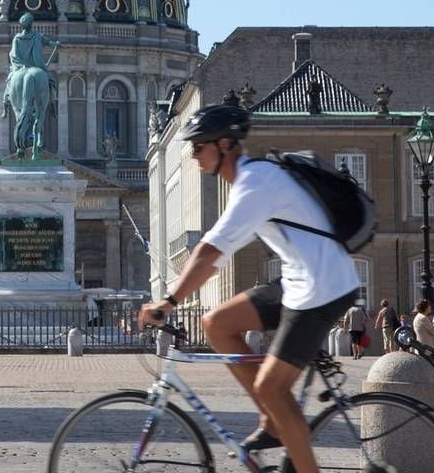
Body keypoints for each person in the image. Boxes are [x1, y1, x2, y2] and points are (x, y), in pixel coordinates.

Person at [137, 104, 360, 472]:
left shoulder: (255, 183)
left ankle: (288, 430)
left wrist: (169, 301)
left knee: (272, 387)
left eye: (198, 147)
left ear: (224, 144)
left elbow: (211, 252)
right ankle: (275, 421)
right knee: (216, 324)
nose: (193, 154)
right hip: (298, 280)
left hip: (325, 286)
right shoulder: (250, 180)